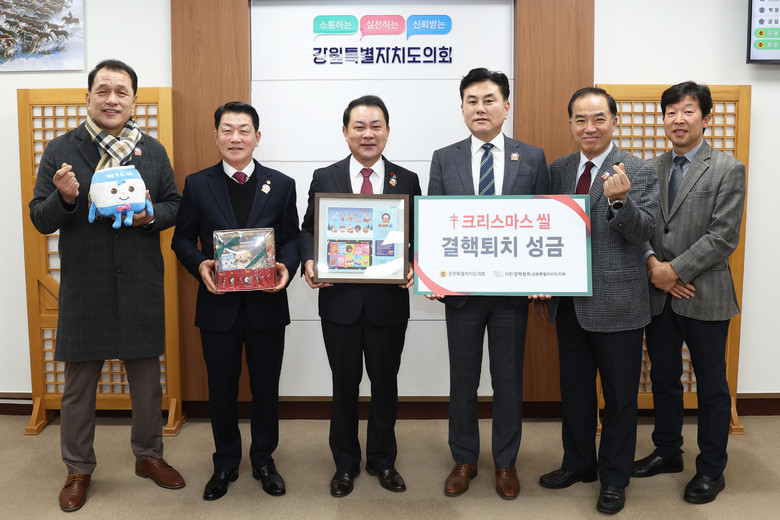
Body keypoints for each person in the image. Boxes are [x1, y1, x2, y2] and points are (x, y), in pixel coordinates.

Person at [29, 59, 185, 512]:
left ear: (134, 100)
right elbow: (40, 218)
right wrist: (65, 198)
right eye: (103, 90)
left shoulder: (152, 151)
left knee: (147, 383)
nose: (112, 99)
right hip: (86, 284)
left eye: (121, 91)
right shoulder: (61, 149)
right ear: (88, 97)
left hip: (140, 281)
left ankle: (149, 456)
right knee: (78, 387)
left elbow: (174, 205)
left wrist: (150, 215)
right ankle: (78, 468)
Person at [427, 67, 550, 500]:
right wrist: (432, 273)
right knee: (462, 380)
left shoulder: (531, 157)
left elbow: (543, 221)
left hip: (511, 297)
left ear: (506, 106)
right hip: (461, 295)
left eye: (489, 100)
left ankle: (505, 462)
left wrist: (543, 276)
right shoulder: (445, 157)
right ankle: (464, 459)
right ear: (462, 108)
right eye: (472, 101)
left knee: (508, 382)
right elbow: (435, 223)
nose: (481, 108)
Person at [537, 87, 659, 514]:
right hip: (568, 301)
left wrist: (620, 202)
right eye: (580, 120)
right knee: (575, 393)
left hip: (619, 301)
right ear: (571, 124)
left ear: (614, 122)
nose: (589, 128)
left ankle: (614, 478)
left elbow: (646, 231)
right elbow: (544, 227)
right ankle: (578, 464)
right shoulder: (558, 169)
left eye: (599, 119)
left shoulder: (638, 169)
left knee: (620, 398)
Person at [171, 102, 300, 501]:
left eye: (244, 130)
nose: (235, 137)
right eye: (227, 130)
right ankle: (225, 462)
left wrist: (286, 267)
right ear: (216, 136)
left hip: (266, 306)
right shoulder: (198, 183)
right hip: (219, 307)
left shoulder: (282, 184)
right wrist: (200, 265)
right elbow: (181, 239)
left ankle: (264, 459)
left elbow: (292, 238)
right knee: (221, 390)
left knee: (266, 388)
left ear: (257, 137)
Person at [300, 95, 421, 498]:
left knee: (385, 383)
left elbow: (417, 234)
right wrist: (309, 260)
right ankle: (345, 464)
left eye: (376, 126)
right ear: (345, 131)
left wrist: (413, 263)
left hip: (388, 304)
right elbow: (308, 229)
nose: (368, 134)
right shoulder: (325, 176)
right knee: (344, 385)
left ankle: (383, 460)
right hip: (340, 304)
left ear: (387, 131)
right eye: (359, 126)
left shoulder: (406, 179)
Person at [631, 82, 746, 504]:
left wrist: (672, 271)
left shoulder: (728, 168)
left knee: (712, 385)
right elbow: (641, 226)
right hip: (658, 294)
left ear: (706, 118)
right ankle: (667, 451)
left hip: (705, 292)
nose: (678, 119)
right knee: (664, 378)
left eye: (688, 111)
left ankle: (712, 469)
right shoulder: (650, 168)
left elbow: (723, 236)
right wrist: (653, 266)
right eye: (671, 112)